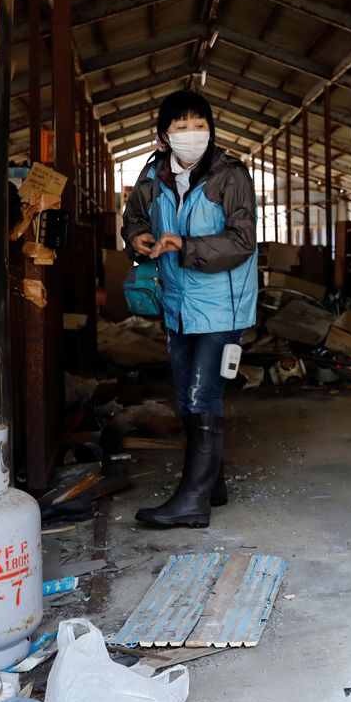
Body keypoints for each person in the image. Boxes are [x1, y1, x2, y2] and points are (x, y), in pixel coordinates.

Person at [122, 90, 257, 529]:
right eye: (181, 127)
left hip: (222, 306)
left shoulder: (230, 175)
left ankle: (193, 501)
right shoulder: (152, 173)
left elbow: (242, 242)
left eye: (199, 125)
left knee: (204, 394)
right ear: (163, 135)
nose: (192, 134)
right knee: (185, 395)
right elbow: (134, 217)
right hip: (178, 303)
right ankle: (212, 483)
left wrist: (185, 246)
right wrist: (139, 239)